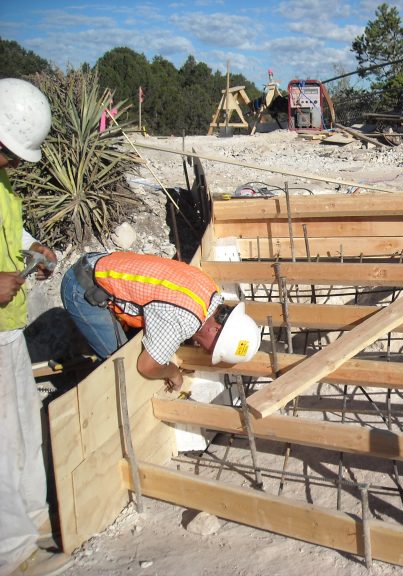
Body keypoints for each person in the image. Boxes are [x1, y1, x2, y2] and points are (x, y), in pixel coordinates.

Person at [0, 78, 70, 576]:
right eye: (10, 154)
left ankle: (34, 520)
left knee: (23, 427)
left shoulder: (2, 186)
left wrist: (32, 247)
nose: (14, 164)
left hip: (8, 329)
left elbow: (10, 227)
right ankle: (11, 551)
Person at [60, 251, 261, 390]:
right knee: (124, 366)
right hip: (83, 288)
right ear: (215, 329)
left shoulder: (210, 290)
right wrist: (172, 372)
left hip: (97, 263)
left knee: (134, 343)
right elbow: (146, 366)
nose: (206, 351)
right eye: (212, 349)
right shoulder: (185, 320)